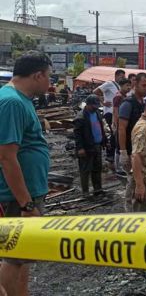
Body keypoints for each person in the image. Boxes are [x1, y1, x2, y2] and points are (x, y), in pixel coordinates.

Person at [0, 51, 52, 296]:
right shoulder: (11, 102)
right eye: (49, 77)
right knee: (13, 256)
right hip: (16, 198)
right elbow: (6, 157)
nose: (50, 83)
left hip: (26, 194)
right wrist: (26, 203)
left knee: (23, 255)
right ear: (38, 74)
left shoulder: (22, 100)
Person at [118, 73, 146, 212]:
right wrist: (123, 151)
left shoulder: (142, 103)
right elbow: (121, 128)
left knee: (138, 180)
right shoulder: (128, 103)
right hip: (131, 150)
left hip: (140, 149)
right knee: (132, 182)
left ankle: (138, 208)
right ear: (134, 84)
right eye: (144, 86)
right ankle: (129, 212)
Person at [73, 95, 106, 196]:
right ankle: (85, 191)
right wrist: (80, 148)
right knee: (85, 170)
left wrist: (104, 141)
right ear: (87, 105)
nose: (95, 107)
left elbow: (101, 128)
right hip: (86, 147)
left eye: (96, 106)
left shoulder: (97, 113)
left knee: (97, 168)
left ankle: (98, 189)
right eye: (93, 106)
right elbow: (77, 134)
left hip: (96, 145)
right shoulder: (81, 117)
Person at [93, 69, 125, 162]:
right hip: (109, 112)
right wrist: (103, 102)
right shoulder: (109, 84)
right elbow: (95, 91)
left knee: (116, 133)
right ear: (116, 76)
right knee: (114, 133)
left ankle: (113, 153)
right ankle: (109, 154)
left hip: (118, 113)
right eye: (121, 76)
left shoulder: (121, 87)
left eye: (123, 77)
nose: (122, 78)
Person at [111, 78, 132, 175]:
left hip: (122, 123)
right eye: (126, 86)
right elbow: (115, 111)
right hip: (119, 123)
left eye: (129, 85)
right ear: (121, 86)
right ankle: (118, 168)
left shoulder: (124, 96)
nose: (128, 88)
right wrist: (116, 124)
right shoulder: (118, 97)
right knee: (119, 146)